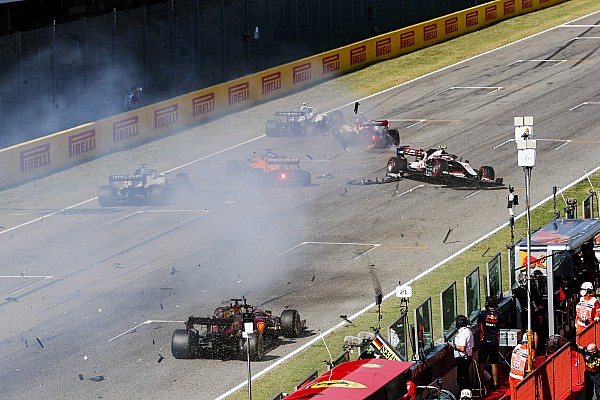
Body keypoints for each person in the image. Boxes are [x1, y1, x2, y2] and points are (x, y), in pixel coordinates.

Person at [477, 296, 504, 390]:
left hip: (484, 341)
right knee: (494, 363)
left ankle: (480, 384)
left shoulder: (483, 314)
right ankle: (495, 384)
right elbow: (501, 324)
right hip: (494, 341)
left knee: (481, 363)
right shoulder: (499, 314)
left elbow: (478, 322)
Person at [451, 314, 474, 391]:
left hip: (463, 358)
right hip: (466, 357)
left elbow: (462, 348)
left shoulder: (463, 333)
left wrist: (453, 346)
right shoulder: (467, 331)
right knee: (464, 378)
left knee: (462, 379)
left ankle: (464, 394)